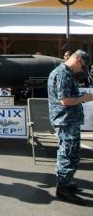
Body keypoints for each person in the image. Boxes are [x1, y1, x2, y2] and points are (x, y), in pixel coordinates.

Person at [47, 49, 93, 205]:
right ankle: (63, 189)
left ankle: (67, 183)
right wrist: (86, 97)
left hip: (69, 121)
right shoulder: (63, 74)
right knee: (67, 154)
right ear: (78, 61)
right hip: (65, 121)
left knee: (72, 153)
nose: (82, 71)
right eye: (83, 67)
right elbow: (65, 100)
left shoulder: (66, 73)